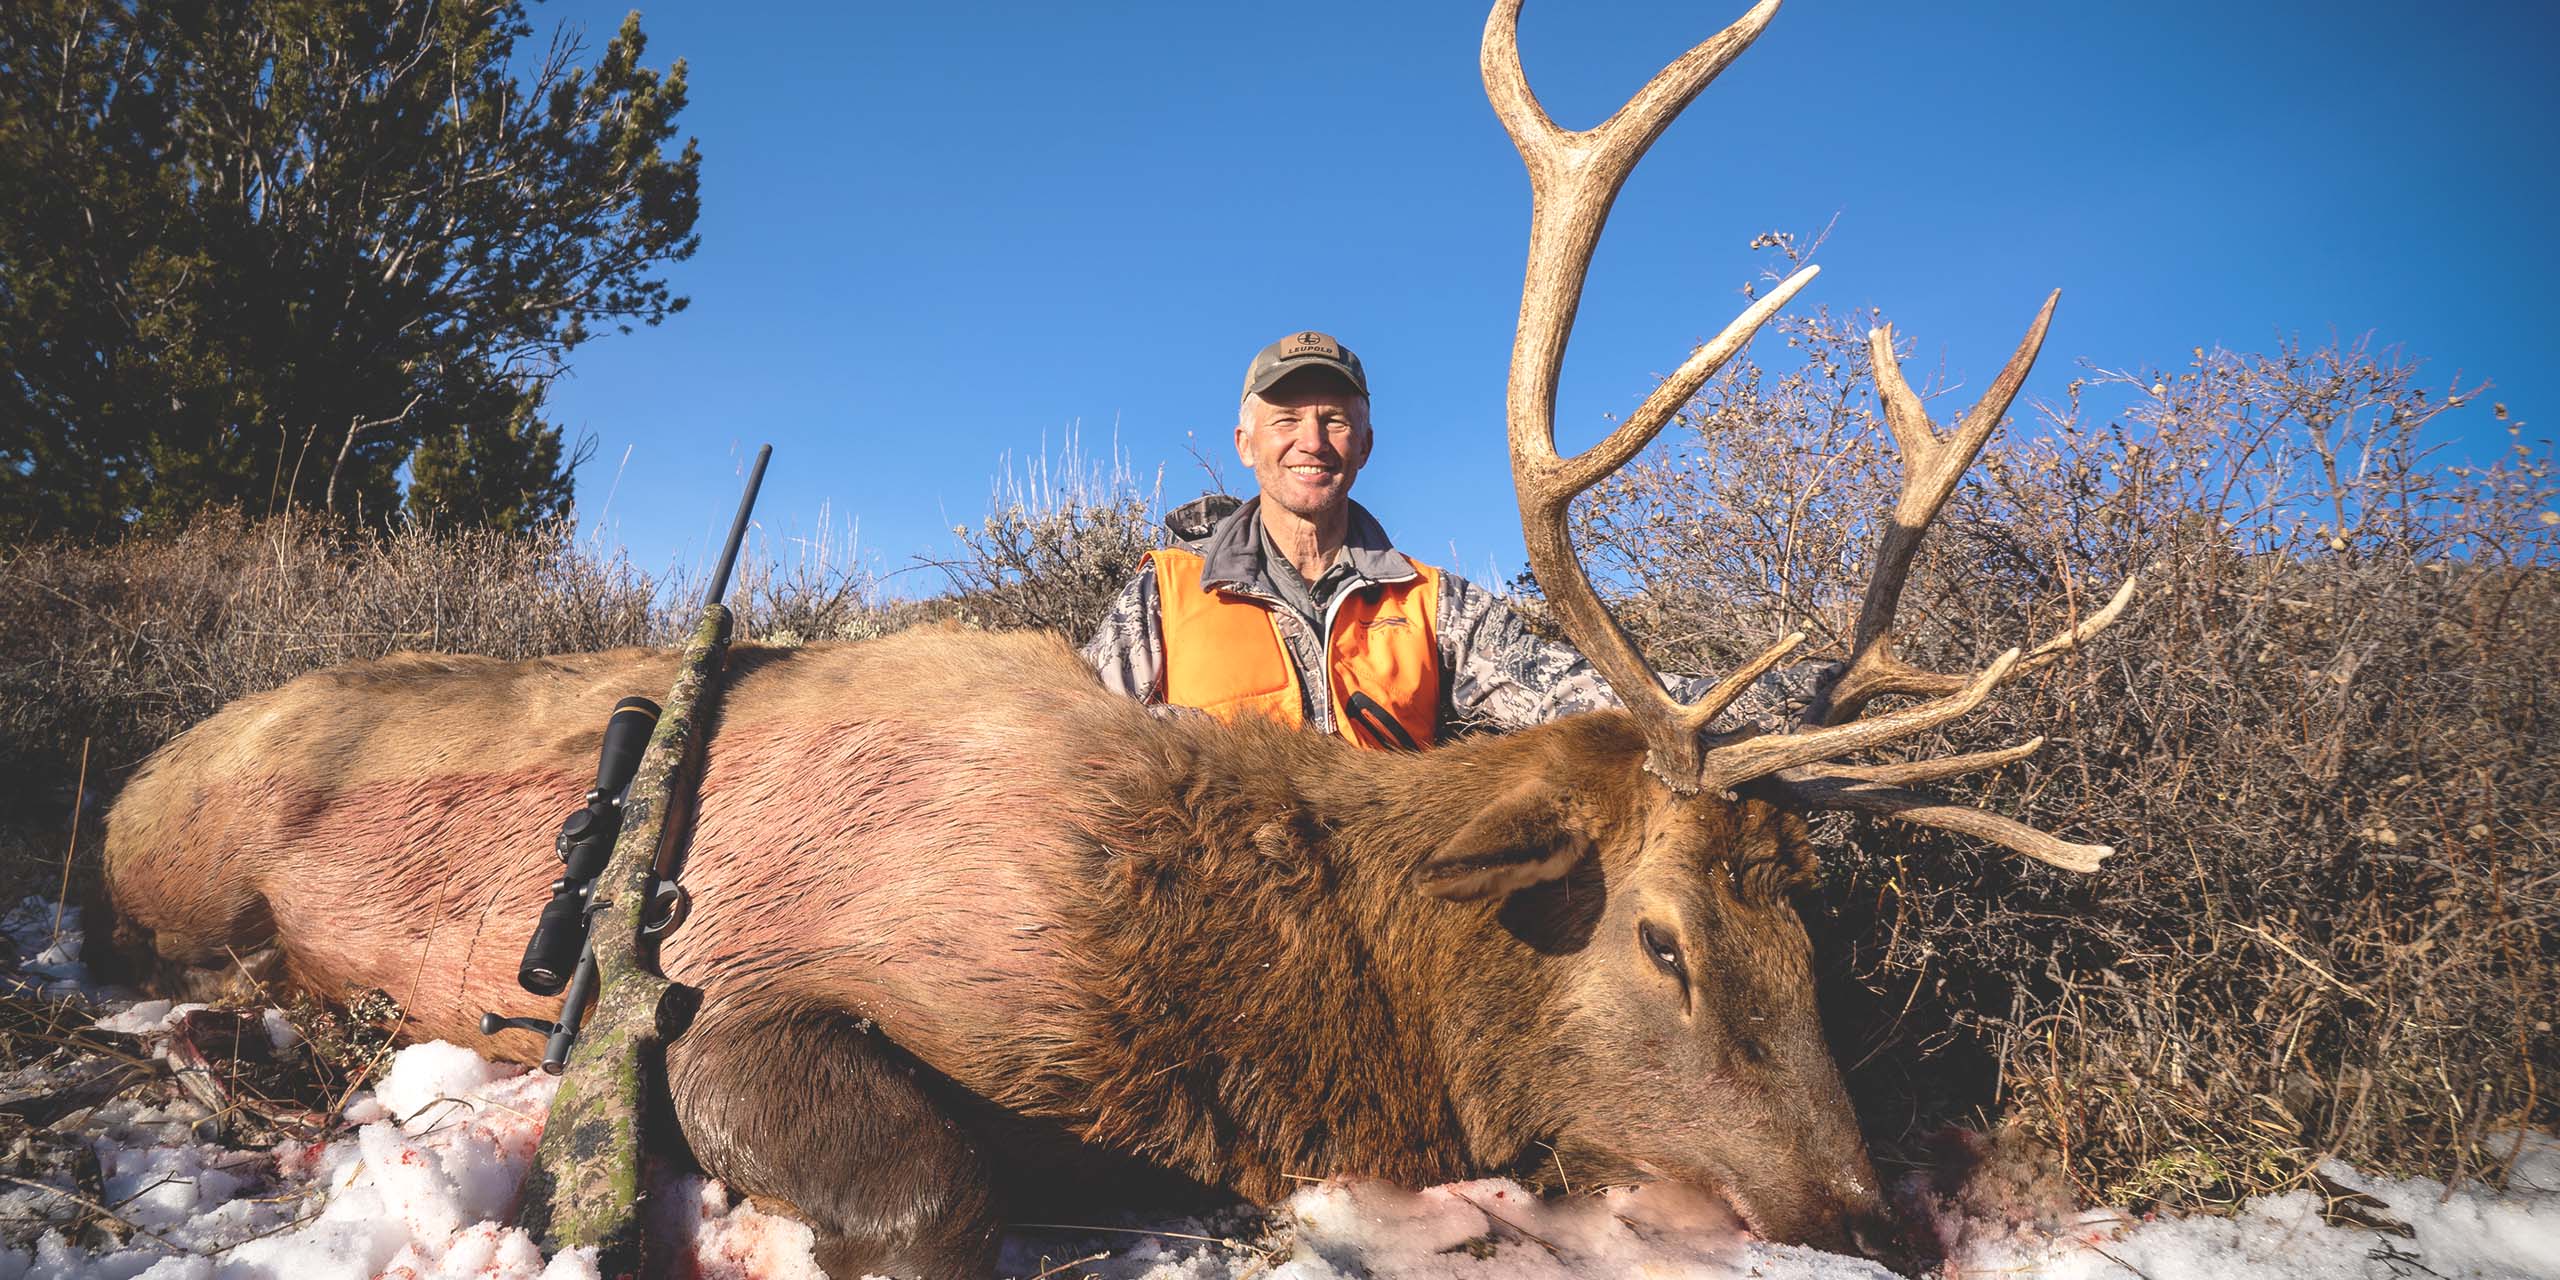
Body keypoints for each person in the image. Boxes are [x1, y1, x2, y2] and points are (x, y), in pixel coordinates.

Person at [1082, 330, 1819, 749]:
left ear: (1366, 443)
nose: (1312, 441)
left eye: (1335, 420)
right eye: (1286, 420)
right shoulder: (1168, 593)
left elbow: (1588, 697)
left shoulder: (1432, 602)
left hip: (1394, 917)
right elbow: (1075, 743)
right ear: (1246, 443)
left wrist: (1799, 693)